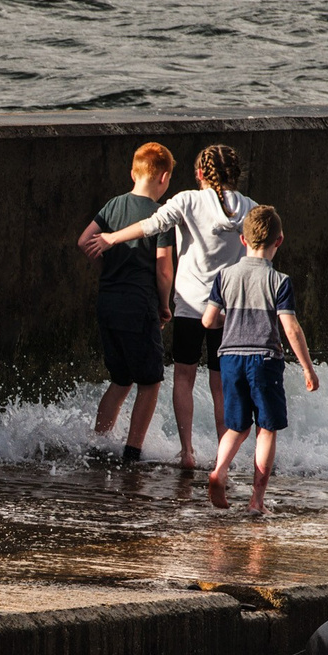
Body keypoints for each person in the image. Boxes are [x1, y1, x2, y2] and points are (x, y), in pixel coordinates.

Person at [82, 143, 253, 473]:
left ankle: (186, 451)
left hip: (190, 306)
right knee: (220, 385)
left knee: (183, 379)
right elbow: (269, 236)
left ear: (199, 173)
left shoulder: (187, 200)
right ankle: (223, 455)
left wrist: (112, 238)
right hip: (226, 310)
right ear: (235, 173)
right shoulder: (249, 207)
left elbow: (151, 225)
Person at [202, 204, 320, 518]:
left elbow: (208, 321)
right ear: (279, 240)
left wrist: (228, 321)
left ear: (243, 240)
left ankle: (219, 470)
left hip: (229, 358)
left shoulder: (224, 276)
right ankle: (256, 500)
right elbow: (290, 328)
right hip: (264, 359)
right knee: (266, 429)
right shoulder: (279, 281)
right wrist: (308, 368)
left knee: (236, 427)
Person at [76, 142, 175, 462]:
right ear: (164, 177)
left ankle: (99, 443)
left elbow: (83, 240)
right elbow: (163, 270)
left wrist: (107, 271)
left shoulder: (113, 205)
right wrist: (165, 304)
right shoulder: (160, 216)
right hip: (139, 303)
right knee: (151, 380)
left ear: (133, 173)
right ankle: (132, 451)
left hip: (108, 301)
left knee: (120, 380)